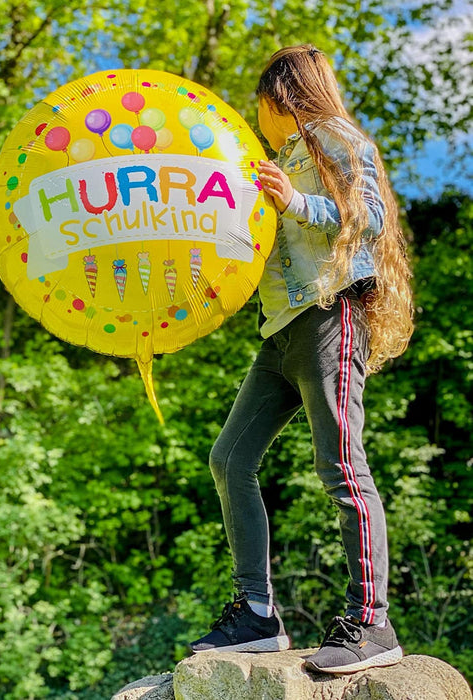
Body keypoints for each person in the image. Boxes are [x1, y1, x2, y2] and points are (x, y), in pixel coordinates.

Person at [189, 44, 414, 674]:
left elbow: (366, 220)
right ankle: (256, 613)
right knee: (230, 458)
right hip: (281, 329)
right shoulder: (279, 160)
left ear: (281, 97)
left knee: (341, 464)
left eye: (260, 105)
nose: (257, 119)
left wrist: (293, 200)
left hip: (329, 313)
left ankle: (372, 622)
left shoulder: (336, 140)